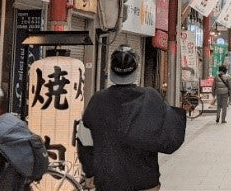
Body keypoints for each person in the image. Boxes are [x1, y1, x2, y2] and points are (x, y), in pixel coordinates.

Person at [77, 46, 186, 191]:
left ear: (111, 70)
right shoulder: (151, 97)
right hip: (145, 180)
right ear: (136, 70)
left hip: (108, 181)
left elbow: (85, 142)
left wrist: (89, 173)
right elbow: (170, 139)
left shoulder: (97, 100)